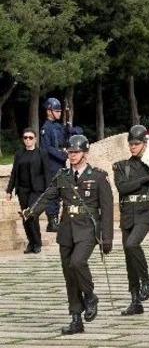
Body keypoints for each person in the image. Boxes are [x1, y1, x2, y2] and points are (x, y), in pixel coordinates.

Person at [23, 134, 113, 334]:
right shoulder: (62, 175)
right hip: (66, 231)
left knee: (77, 263)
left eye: (76, 152)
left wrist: (107, 238)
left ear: (85, 153)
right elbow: (48, 195)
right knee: (69, 275)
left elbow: (107, 209)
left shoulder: (98, 176)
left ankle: (90, 296)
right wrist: (32, 211)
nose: (72, 155)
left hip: (87, 229)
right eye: (70, 152)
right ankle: (76, 319)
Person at [112, 125, 149, 315]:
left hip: (144, 212)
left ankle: (146, 279)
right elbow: (123, 188)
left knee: (132, 244)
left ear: (145, 144)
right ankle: (135, 301)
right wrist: (146, 179)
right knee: (129, 258)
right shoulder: (122, 166)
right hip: (128, 213)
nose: (133, 147)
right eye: (131, 144)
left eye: (137, 143)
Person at [6, 128, 48, 254]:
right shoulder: (19, 154)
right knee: (25, 217)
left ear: (35, 139)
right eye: (25, 137)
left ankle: (37, 243)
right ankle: (31, 243)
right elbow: (14, 173)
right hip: (22, 190)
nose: (28, 140)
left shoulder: (41, 153)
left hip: (36, 190)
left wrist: (49, 191)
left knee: (31, 214)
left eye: (30, 137)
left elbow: (47, 173)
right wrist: (9, 190)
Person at [39, 97, 68, 231]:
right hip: (51, 165)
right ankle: (52, 222)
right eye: (56, 111)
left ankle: (59, 220)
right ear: (49, 111)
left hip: (60, 164)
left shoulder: (57, 126)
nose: (59, 113)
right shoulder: (45, 128)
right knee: (53, 193)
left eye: (60, 111)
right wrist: (61, 154)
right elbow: (47, 148)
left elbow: (63, 141)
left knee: (61, 191)